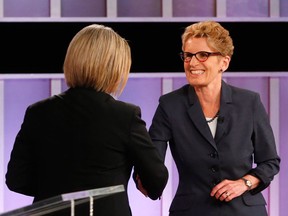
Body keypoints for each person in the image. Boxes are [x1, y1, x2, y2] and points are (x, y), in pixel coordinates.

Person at [5, 24, 168, 216]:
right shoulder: (125, 116)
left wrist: (55, 191)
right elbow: (156, 180)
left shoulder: (38, 112)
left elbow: (16, 180)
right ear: (115, 69)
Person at [147, 21, 280, 216]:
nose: (192, 63)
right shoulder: (169, 105)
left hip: (244, 210)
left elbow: (269, 162)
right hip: (193, 211)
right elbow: (151, 161)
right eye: (188, 55)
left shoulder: (249, 102)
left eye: (203, 55)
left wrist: (244, 183)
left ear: (224, 63)